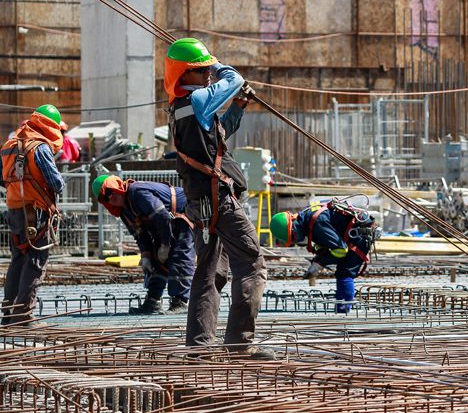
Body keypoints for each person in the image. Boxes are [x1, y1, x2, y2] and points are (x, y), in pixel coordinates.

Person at [164, 37, 272, 359]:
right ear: (184, 74)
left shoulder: (182, 107)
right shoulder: (196, 100)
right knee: (252, 265)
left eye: (208, 71)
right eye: (201, 71)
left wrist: (237, 105)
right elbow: (234, 79)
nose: (208, 75)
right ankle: (240, 344)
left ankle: (198, 346)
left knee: (211, 272)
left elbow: (219, 134)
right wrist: (220, 64)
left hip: (202, 203)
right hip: (220, 201)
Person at [92, 174, 195, 315]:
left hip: (183, 214)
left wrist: (165, 245)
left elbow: (162, 216)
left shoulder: (136, 193)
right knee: (154, 260)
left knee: (178, 255)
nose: (110, 198)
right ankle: (153, 301)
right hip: (165, 224)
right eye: (104, 198)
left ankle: (181, 301)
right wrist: (146, 256)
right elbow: (140, 235)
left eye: (109, 192)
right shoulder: (125, 212)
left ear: (117, 186)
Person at [0, 105, 64, 325]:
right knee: (36, 260)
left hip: (15, 209)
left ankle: (8, 314)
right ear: (51, 126)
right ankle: (24, 314)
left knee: (18, 258)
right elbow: (55, 182)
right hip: (35, 212)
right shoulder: (40, 147)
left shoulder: (9, 145)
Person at [270, 199, 380, 313]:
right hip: (350, 236)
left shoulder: (317, 223)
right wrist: (319, 259)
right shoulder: (307, 219)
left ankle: (343, 313)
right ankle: (342, 310)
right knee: (342, 272)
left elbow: (340, 250)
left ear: (293, 228)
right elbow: (326, 243)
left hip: (359, 238)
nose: (296, 240)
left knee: (345, 273)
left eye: (293, 237)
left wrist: (320, 263)